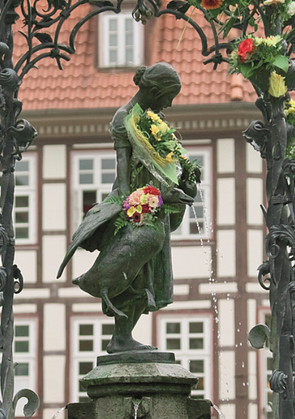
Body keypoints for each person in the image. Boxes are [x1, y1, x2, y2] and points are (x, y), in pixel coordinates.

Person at [56, 63, 198, 353]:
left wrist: (186, 180)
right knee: (131, 271)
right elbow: (123, 185)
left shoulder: (155, 118)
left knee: (148, 273)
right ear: (155, 90)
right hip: (135, 208)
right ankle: (120, 337)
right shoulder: (124, 119)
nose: (170, 104)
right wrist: (157, 198)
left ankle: (123, 337)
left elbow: (168, 163)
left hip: (154, 205)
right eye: (169, 96)